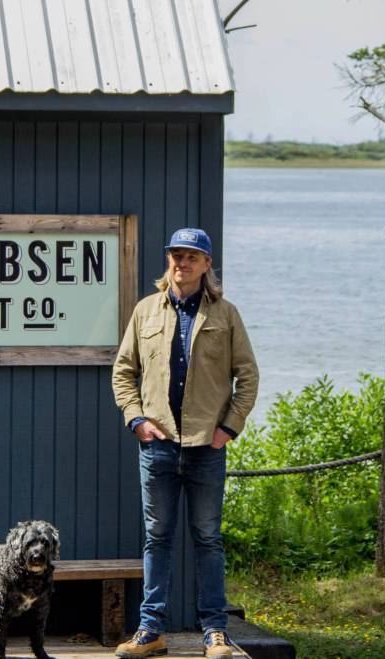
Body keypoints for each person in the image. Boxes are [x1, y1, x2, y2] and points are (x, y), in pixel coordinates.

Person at [111, 227, 259, 658]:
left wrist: (228, 428)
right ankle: (150, 631)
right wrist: (136, 418)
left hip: (205, 447)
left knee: (207, 538)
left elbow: (247, 376)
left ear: (207, 264)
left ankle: (215, 632)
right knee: (156, 538)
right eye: (176, 254)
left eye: (192, 256)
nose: (182, 262)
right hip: (157, 446)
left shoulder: (226, 314)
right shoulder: (145, 311)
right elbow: (123, 372)